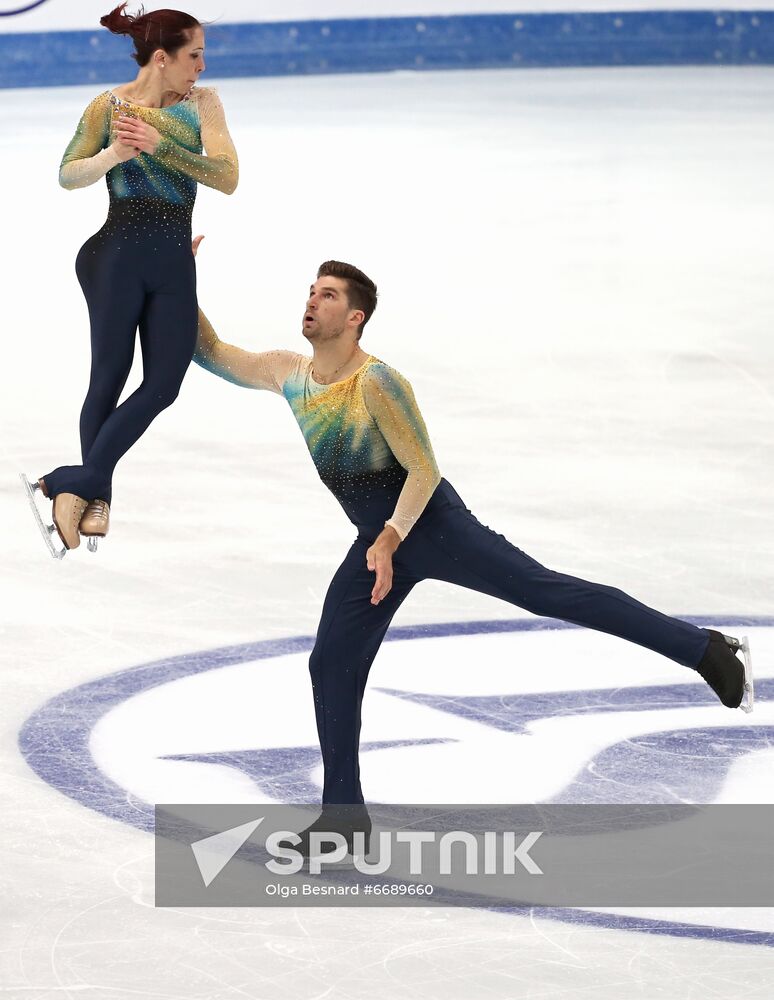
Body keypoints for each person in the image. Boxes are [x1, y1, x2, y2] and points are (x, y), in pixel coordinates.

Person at [192, 250, 753, 848]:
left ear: (355, 318)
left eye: (328, 295)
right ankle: (345, 819)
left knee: (546, 591)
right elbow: (212, 352)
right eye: (311, 290)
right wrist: (179, 275)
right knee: (331, 661)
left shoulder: (377, 382)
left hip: (432, 528)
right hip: (379, 543)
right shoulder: (289, 372)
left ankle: (704, 650)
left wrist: (390, 537)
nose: (312, 299)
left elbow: (423, 469)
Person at [23, 4, 238, 555]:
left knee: (164, 384)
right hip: (113, 255)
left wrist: (159, 144)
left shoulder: (202, 106)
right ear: (162, 58)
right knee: (108, 378)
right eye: (194, 56)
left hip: (171, 259)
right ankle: (94, 502)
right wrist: (114, 153)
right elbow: (68, 173)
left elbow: (228, 177)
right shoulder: (108, 106)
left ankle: (71, 483)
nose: (202, 68)